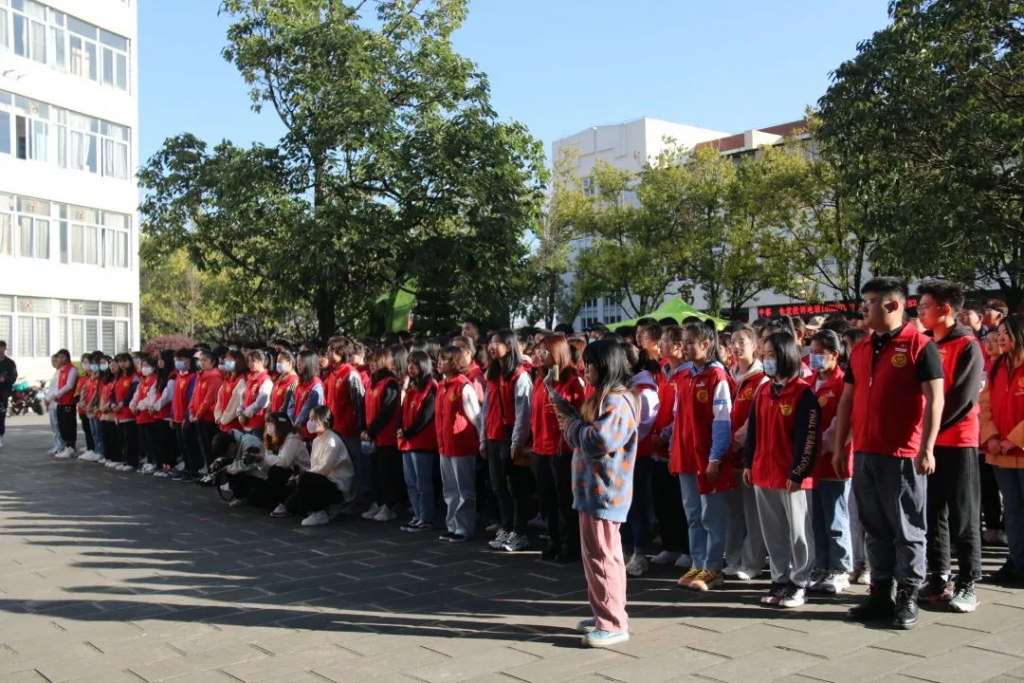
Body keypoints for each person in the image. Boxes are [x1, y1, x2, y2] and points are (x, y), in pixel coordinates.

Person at [834, 277, 945, 630]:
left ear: (894, 305)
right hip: (866, 450)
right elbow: (847, 399)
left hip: (902, 454)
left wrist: (927, 448)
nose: (863, 308)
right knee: (874, 526)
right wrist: (840, 445)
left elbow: (935, 399)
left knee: (907, 528)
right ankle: (880, 592)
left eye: (870, 302)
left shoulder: (919, 346)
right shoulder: (861, 348)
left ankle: (908, 593)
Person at [557, 339, 638, 649]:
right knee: (600, 556)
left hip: (604, 492)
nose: (584, 369)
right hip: (594, 490)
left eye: (589, 364)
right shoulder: (606, 396)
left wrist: (571, 426)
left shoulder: (617, 400)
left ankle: (612, 623)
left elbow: (600, 440)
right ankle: (606, 613)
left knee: (603, 557)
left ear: (603, 366)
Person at [916, 280, 984, 612]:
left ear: (945, 309)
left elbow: (962, 399)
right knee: (933, 513)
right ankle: (938, 577)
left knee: (963, 514)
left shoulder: (967, 345)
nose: (920, 311)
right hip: (929, 444)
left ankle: (968, 581)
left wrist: (929, 430)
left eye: (925, 306)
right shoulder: (928, 344)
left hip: (958, 441)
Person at [743, 332, 820, 608]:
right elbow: (753, 431)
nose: (767, 360)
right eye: (764, 355)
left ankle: (800, 582)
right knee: (773, 532)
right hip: (764, 473)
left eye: (772, 355)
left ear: (786, 356)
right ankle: (779, 579)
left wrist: (799, 471)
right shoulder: (763, 391)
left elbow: (808, 438)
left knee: (799, 533)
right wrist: (748, 463)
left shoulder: (803, 392)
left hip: (792, 477)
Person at [672, 322, 735, 592]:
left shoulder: (717, 377)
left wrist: (715, 457)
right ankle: (698, 563)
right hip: (686, 457)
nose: (684, 347)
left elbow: (723, 421)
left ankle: (713, 567)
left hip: (707, 459)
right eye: (683, 342)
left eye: (689, 342)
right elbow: (678, 419)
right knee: (694, 516)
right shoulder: (685, 376)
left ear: (706, 344)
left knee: (712, 517)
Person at [808, 330, 854, 594]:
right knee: (817, 519)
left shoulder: (842, 383)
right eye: (811, 352)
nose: (813, 357)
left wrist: (820, 446)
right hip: (811, 464)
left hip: (834, 462)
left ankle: (840, 568)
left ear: (834, 355)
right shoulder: (809, 382)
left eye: (819, 353)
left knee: (836, 518)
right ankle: (821, 565)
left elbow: (842, 425)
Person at [531, 333, 585, 562]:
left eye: (545, 351)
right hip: (540, 448)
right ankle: (553, 540)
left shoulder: (572, 381)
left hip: (562, 450)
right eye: (539, 351)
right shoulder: (540, 380)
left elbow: (580, 415)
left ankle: (569, 544)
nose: (540, 355)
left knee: (565, 500)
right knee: (546, 500)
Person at [980, 314, 1024, 585]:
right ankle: (1018, 565)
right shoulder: (997, 366)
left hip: (1018, 450)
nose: (1001, 338)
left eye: (1006, 333)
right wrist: (992, 437)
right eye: (999, 333)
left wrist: (1014, 440)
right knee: (1013, 513)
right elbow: (985, 406)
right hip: (1001, 455)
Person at [481, 330, 534, 553]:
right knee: (499, 486)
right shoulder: (493, 374)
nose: (492, 347)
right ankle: (507, 526)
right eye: (491, 343)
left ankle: (519, 532)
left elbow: (524, 412)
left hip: (510, 437)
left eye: (497, 343)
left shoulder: (519, 375)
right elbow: (486, 409)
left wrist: (517, 442)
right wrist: (483, 438)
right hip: (493, 436)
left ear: (510, 346)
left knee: (516, 488)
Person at [725, 326, 769, 581]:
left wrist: (736, 442)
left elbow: (754, 419)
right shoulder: (727, 376)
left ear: (754, 345)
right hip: (727, 457)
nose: (736, 346)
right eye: (733, 342)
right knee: (733, 512)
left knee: (753, 513)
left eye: (742, 342)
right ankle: (733, 558)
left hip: (748, 456)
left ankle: (752, 562)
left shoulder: (761, 378)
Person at [649, 327, 691, 569]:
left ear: (678, 345)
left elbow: (683, 414)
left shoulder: (687, 374)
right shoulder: (664, 372)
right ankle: (670, 545)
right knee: (663, 500)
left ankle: (686, 548)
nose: (661, 344)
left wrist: (665, 436)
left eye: (665, 341)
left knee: (680, 502)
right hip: (658, 447)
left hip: (675, 447)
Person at [435, 345, 482, 543]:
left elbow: (476, 417)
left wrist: (483, 441)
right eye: (439, 358)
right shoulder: (442, 385)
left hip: (462, 445)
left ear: (454, 362)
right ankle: (453, 525)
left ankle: (464, 528)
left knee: (464, 489)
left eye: (444, 359)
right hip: (445, 444)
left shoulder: (463, 386)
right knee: (450, 489)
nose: (439, 362)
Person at [624, 339, 661, 577]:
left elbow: (644, 425)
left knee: (637, 505)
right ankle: (626, 549)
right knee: (625, 506)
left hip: (638, 454)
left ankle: (640, 553)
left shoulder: (645, 390)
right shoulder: (625, 386)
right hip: (622, 454)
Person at [282, 406, 355, 526]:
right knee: (290, 504)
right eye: (309, 419)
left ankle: (320, 513)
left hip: (337, 485)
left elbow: (323, 469)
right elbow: (315, 467)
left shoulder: (332, 441)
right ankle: (320, 508)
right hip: (322, 480)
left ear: (324, 420)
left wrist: (303, 477)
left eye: (313, 419)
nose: (309, 422)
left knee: (305, 478)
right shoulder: (316, 440)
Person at [398, 350, 439, 532]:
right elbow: (403, 412)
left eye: (415, 364)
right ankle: (417, 515)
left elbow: (426, 416)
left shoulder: (431, 387)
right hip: (407, 442)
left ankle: (426, 518)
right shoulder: (412, 387)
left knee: (423, 484)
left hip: (421, 442)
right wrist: (401, 429)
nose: (411, 367)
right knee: (411, 482)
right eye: (409, 363)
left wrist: (409, 431)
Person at [362, 348, 404, 523]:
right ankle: (378, 502)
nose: (372, 364)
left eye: (375, 361)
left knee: (386, 473)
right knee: (375, 473)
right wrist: (364, 429)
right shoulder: (372, 383)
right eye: (370, 361)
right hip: (373, 438)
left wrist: (371, 431)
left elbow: (387, 411)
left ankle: (389, 505)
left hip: (386, 437)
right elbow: (365, 409)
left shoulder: (390, 383)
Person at [189, 350, 224, 475]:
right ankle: (208, 469)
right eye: (201, 360)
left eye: (205, 360)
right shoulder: (200, 376)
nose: (202, 363)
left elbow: (209, 400)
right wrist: (191, 411)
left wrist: (198, 414)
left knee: (210, 447)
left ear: (213, 362)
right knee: (203, 445)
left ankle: (213, 472)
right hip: (199, 417)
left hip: (208, 418)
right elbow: (194, 396)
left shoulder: (215, 377)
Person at [171, 349, 201, 482]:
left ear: (188, 360)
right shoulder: (179, 376)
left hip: (186, 418)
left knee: (190, 446)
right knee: (182, 446)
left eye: (180, 360)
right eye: (176, 360)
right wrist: (172, 415)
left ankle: (193, 470)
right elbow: (175, 398)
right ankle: (187, 468)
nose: (177, 362)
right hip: (177, 417)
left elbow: (191, 399)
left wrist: (187, 416)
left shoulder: (193, 377)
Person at [112, 353, 140, 472]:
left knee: (130, 439)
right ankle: (125, 460)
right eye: (120, 361)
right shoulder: (118, 377)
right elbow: (112, 393)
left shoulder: (134, 377)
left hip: (128, 412)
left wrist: (122, 403)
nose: (122, 364)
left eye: (125, 361)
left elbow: (132, 393)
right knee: (122, 439)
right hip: (118, 413)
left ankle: (132, 462)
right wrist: (113, 404)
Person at [239, 350, 273, 439]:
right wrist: (240, 412)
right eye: (249, 361)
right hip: (247, 422)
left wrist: (245, 414)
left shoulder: (266, 380)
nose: (250, 364)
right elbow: (243, 398)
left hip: (257, 423)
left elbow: (262, 402)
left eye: (253, 361)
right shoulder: (251, 378)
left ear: (261, 362)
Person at [52, 350, 79, 458]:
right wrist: (54, 396)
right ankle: (66, 447)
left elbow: (69, 385)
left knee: (69, 425)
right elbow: (57, 385)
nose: (60, 359)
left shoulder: (72, 369)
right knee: (62, 425)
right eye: (59, 357)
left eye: (62, 357)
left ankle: (71, 447)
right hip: (60, 401)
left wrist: (58, 394)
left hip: (68, 401)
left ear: (67, 358)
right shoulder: (61, 371)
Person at [0, 340, 16, 449]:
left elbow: (14, 377)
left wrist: (5, 378)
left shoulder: (10, 363)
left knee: (1, 415)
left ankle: (0, 436)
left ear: (5, 348)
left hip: (3, 393)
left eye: (1, 347)